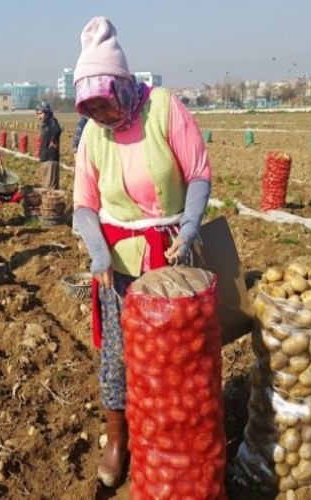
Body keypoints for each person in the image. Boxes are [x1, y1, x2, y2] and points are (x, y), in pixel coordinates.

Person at [71, 17, 212, 488]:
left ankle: (175, 440)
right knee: (117, 356)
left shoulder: (165, 109)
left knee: (178, 356)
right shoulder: (91, 136)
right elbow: (83, 206)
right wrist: (98, 253)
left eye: (107, 105)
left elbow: (197, 173)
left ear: (125, 87)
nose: (104, 117)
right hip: (119, 264)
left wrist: (189, 228)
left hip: (171, 255)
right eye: (93, 110)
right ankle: (119, 439)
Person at [36, 101, 62, 189]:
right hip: (45, 159)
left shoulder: (52, 121)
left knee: (51, 189)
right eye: (37, 114)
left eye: (41, 113)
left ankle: (51, 203)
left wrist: (54, 139)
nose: (39, 116)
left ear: (47, 112)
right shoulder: (45, 124)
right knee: (46, 187)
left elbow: (57, 130)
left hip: (51, 160)